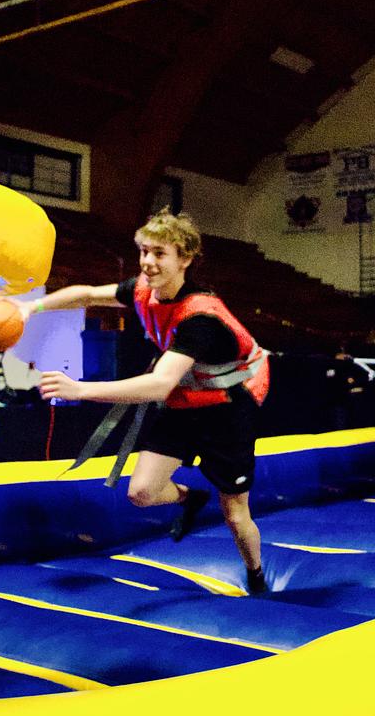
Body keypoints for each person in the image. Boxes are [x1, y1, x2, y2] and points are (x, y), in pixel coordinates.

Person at [22, 209, 270, 595]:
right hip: (186, 399)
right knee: (141, 493)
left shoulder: (200, 317)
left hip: (227, 409)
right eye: (143, 251)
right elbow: (87, 293)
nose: (148, 263)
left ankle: (256, 575)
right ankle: (191, 498)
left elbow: (159, 384)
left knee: (236, 515)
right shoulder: (144, 290)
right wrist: (30, 308)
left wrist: (80, 390)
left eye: (159, 253)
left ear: (185, 259)